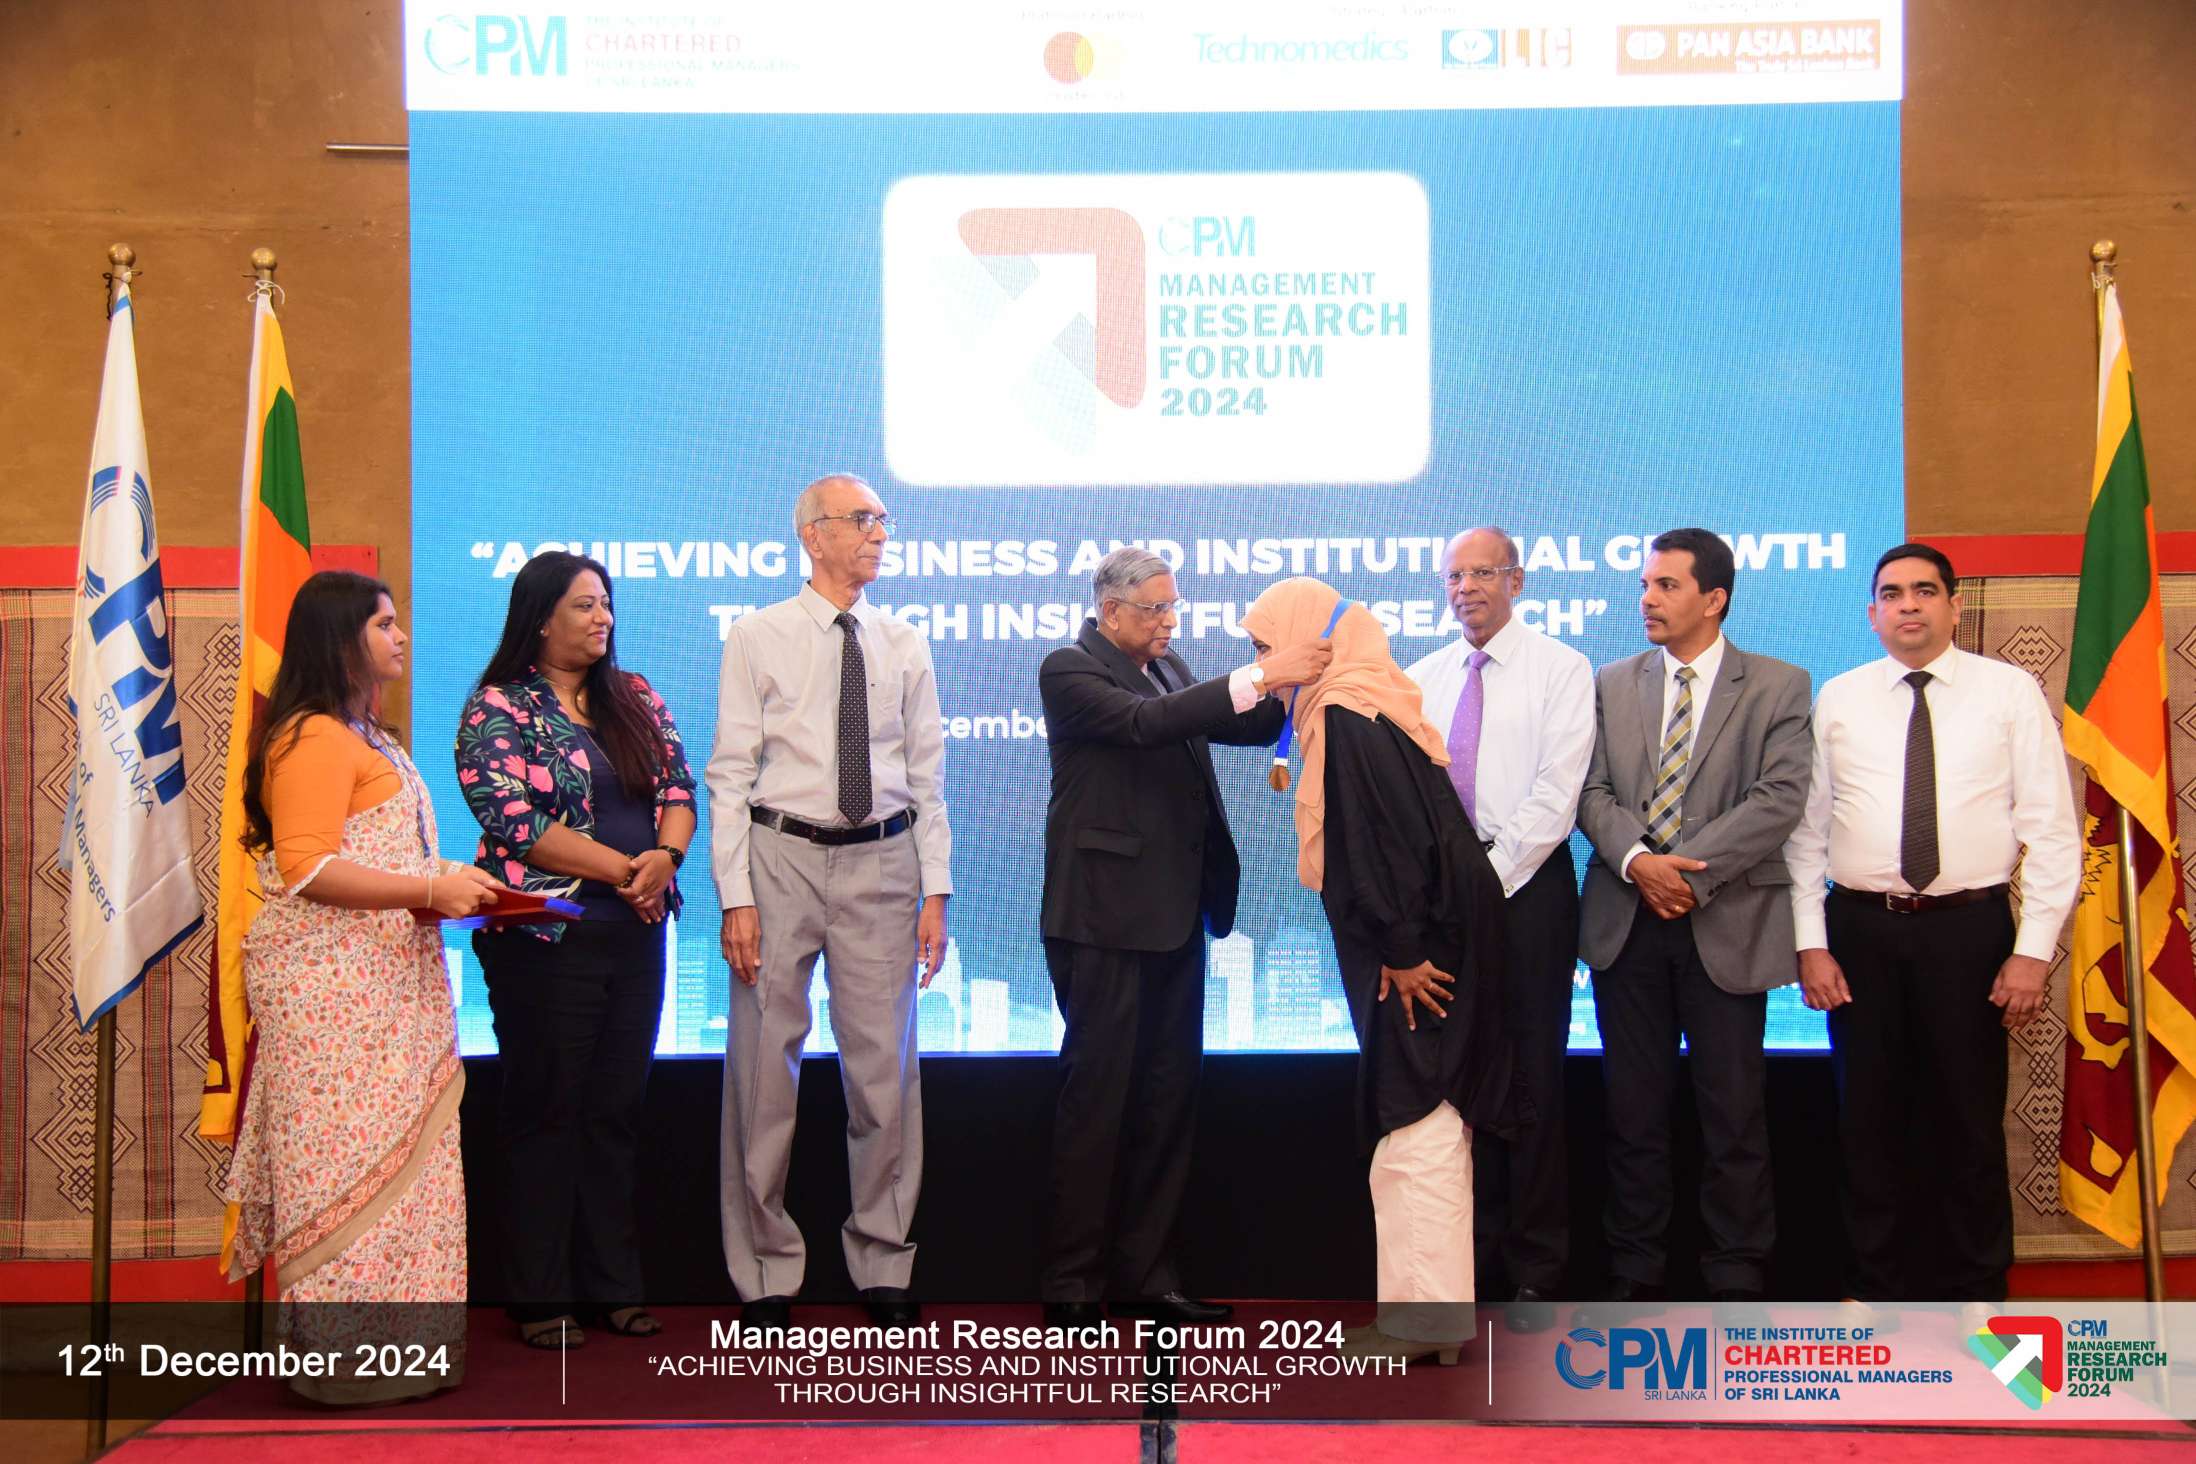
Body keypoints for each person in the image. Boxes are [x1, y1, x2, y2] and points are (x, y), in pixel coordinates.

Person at [225, 570, 501, 1403]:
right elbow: (308, 867)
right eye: (382, 624)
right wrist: (428, 889)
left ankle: (406, 1352)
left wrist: (453, 880)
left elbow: (382, 855)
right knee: (344, 1172)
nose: (400, 636)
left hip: (387, 981)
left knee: (409, 1168)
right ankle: (343, 1366)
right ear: (339, 639)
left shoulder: (369, 735)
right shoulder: (310, 736)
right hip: (330, 992)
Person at [1036, 548, 1328, 1329]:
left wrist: (1301, 677)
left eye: (1173, 608)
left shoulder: (1170, 668)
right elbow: (1145, 725)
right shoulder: (1069, 669)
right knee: (1098, 1103)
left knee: (1168, 1102)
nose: (1169, 622)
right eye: (1155, 609)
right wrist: (1262, 673)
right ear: (1110, 610)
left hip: (1175, 917)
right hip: (1102, 922)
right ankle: (1073, 1284)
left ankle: (1149, 1276)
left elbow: (1247, 721)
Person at [1785, 543, 2077, 1309]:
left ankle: (1977, 1292)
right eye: (1892, 594)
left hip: (1968, 932)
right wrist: (1811, 942)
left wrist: (2032, 953)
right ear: (1872, 613)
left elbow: (2051, 830)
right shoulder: (1840, 698)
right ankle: (1871, 1288)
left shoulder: (2007, 692)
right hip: (1861, 931)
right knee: (1865, 1119)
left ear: (1953, 605)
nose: (1908, 605)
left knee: (1968, 1121)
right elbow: (1806, 834)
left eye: (1923, 591)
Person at [1243, 576, 1518, 1366]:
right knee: (1424, 1122)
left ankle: (1422, 1325)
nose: (1269, 666)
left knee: (1417, 1123)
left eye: (1269, 646)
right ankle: (1427, 1319)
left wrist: (1401, 951)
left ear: (1315, 640)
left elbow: (1380, 845)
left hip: (1418, 955)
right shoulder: (1368, 701)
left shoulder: (1345, 714)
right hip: (1428, 940)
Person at [707, 473, 952, 1331]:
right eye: (862, 520)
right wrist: (735, 896)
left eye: (883, 520)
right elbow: (730, 775)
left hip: (884, 862)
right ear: (812, 535)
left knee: (884, 1074)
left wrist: (936, 889)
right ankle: (765, 1270)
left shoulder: (904, 641)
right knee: (762, 1071)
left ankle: (883, 1259)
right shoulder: (757, 635)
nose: (880, 534)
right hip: (780, 857)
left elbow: (928, 777)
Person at [456, 551, 697, 1349]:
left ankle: (613, 1288)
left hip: (636, 930)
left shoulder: (635, 696)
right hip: (545, 934)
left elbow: (679, 790)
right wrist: (627, 871)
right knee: (547, 1107)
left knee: (615, 1110)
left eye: (606, 604)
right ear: (540, 619)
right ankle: (539, 1296)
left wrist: (665, 860)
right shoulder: (500, 706)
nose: (603, 618)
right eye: (585, 606)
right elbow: (514, 822)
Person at [1575, 528, 1811, 1310]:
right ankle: (1635, 1267)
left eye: (1666, 585)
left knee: (1733, 1114)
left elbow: (1778, 799)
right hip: (1626, 921)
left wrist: (1683, 873)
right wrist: (1639, 863)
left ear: (1714, 599)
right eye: (1645, 584)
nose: (1647, 598)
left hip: (1727, 921)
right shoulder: (1611, 682)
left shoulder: (1778, 685)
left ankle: (1736, 1272)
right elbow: (1590, 791)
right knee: (1632, 1112)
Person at [1405, 528, 1592, 1332]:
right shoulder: (1422, 678)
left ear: (1517, 580)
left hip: (1528, 893)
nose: (1466, 588)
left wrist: (1485, 879)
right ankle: (1466, 1263)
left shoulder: (1562, 668)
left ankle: (1538, 1269)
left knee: (1533, 1079)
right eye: (1454, 576)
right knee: (1455, 1084)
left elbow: (1558, 794)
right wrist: (1447, 887)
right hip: (1446, 905)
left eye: (1482, 573)